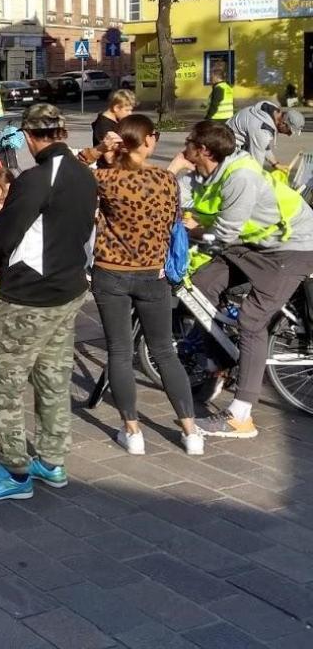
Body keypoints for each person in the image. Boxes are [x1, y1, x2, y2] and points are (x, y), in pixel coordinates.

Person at [0, 103, 97, 502]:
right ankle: (52, 461)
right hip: (69, 288)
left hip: (30, 295)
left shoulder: (37, 178)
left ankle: (14, 469)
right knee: (52, 374)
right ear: (62, 131)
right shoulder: (83, 173)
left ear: (27, 136)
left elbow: (3, 236)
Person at [177, 120, 313, 439]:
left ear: (203, 150)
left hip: (294, 246)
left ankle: (240, 417)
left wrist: (190, 230)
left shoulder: (240, 177)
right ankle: (221, 361)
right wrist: (175, 168)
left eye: (189, 142)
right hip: (257, 244)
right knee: (201, 286)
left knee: (252, 321)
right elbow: (175, 194)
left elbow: (224, 233)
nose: (184, 145)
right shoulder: (204, 171)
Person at [90, 116, 203, 455]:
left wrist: (97, 150)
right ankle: (191, 432)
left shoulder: (105, 179)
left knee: (119, 352)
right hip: (153, 275)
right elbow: (172, 221)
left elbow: (68, 173)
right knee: (165, 352)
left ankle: (133, 432)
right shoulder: (166, 180)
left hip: (111, 272)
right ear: (150, 140)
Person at [227, 100, 305, 171]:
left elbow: (263, 146)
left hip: (230, 138)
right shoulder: (262, 130)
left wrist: (276, 164)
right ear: (283, 123)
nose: (289, 134)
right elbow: (256, 165)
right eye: (289, 131)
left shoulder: (272, 110)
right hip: (229, 150)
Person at [91, 89, 136, 168]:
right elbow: (109, 158)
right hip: (109, 170)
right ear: (116, 108)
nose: (130, 113)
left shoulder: (116, 121)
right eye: (127, 110)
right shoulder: (104, 126)